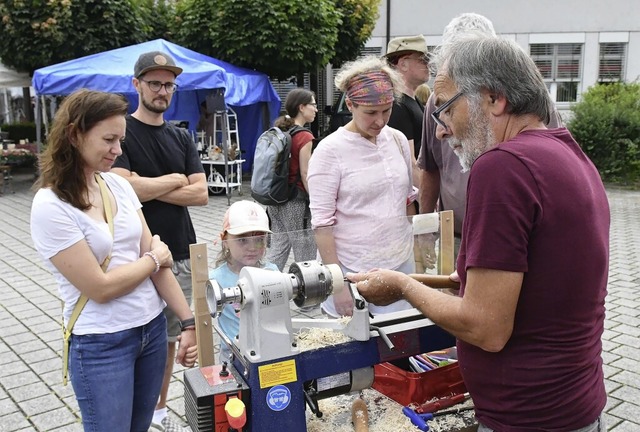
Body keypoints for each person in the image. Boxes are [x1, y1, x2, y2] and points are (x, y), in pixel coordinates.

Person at [349, 35, 609, 432]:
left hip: (528, 414)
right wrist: (424, 281)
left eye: (447, 110)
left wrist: (402, 286)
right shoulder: (569, 152)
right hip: (575, 400)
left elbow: (486, 327)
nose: (439, 132)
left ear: (494, 99)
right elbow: (518, 282)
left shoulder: (503, 167)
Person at [30, 89, 197, 432]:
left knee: (140, 427)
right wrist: (152, 259)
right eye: (109, 139)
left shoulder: (116, 186)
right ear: (75, 134)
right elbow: (102, 288)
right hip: (101, 343)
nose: (118, 150)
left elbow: (157, 259)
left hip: (150, 329)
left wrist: (188, 322)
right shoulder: (50, 205)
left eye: (120, 139)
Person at [111, 51, 208, 432]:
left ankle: (160, 412)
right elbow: (121, 185)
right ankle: (135, 412)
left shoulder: (181, 135)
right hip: (133, 254)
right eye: (154, 83)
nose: (162, 90)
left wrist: (145, 186)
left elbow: (201, 195)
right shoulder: (124, 133)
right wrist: (175, 179)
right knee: (135, 336)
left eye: (168, 84)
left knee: (169, 339)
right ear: (136, 85)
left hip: (180, 251)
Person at [418, 13, 563, 244]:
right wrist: (424, 229)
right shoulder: (437, 103)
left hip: (513, 234)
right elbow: (430, 168)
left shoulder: (535, 103)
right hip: (455, 234)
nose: (441, 131)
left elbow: (554, 170)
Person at [307, 56, 417, 318]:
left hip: (400, 264)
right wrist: (338, 287)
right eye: (370, 113)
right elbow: (322, 226)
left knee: (400, 347)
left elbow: (407, 201)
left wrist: (418, 251)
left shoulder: (398, 140)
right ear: (350, 104)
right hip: (352, 271)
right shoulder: (329, 151)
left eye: (387, 110)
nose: (380, 121)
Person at [209, 200, 277, 363]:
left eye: (259, 239)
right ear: (224, 240)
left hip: (268, 351)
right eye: (242, 240)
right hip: (233, 356)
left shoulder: (272, 273)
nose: (252, 247)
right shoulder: (215, 279)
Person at [266, 88, 318, 271]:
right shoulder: (304, 136)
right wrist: (316, 202)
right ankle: (311, 297)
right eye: (313, 104)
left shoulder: (280, 130)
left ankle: (264, 287)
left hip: (275, 199)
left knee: (278, 248)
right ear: (302, 107)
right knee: (306, 253)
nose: (316, 109)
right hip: (295, 203)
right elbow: (306, 174)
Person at [385, 34, 430, 184]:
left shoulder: (412, 100)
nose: (428, 65)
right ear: (403, 64)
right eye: (423, 60)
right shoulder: (398, 104)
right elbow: (409, 162)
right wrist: (429, 202)